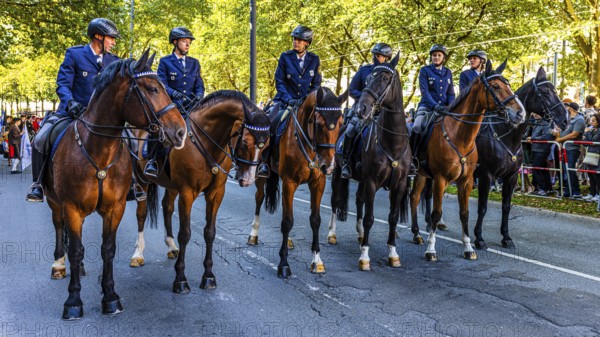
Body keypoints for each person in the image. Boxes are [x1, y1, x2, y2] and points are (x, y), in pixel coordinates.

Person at [26, 18, 121, 202]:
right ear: (98, 36)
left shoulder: (114, 61)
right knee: (41, 138)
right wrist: (70, 102)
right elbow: (63, 84)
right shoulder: (75, 54)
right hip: (72, 112)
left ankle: (132, 183)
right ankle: (38, 184)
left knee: (129, 141)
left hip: (103, 119)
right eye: (111, 38)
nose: (114, 42)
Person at [256, 25, 322, 178]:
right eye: (294, 39)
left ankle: (323, 159)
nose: (295, 42)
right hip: (286, 102)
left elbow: (316, 84)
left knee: (323, 125)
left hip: (306, 104)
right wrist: (289, 99)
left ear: (307, 42)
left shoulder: (314, 59)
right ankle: (265, 162)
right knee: (271, 123)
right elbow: (279, 81)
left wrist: (307, 100)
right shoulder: (285, 57)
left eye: (299, 40)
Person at [145, 27, 206, 177]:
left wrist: (199, 94)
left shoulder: (194, 63)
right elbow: (162, 84)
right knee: (157, 128)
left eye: (189, 42)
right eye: (184, 42)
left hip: (192, 105)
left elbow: (199, 83)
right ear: (175, 42)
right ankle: (152, 160)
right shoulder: (165, 61)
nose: (187, 45)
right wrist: (173, 93)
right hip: (173, 105)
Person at [339, 42, 393, 179]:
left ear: (386, 58)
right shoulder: (364, 70)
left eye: (380, 56)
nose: (376, 57)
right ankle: (346, 162)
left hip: (382, 111)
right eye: (375, 55)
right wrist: (365, 98)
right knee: (351, 130)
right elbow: (352, 89)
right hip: (363, 109)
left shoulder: (390, 73)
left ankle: (399, 164)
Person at [412, 44, 455, 135]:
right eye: (434, 55)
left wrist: (451, 106)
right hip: (427, 107)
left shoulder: (448, 72)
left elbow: (451, 93)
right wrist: (435, 106)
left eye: (439, 55)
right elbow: (425, 92)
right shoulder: (425, 70)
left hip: (444, 108)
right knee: (417, 126)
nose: (436, 57)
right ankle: (414, 149)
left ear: (443, 57)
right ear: (431, 57)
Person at [554, 101, 585, 199]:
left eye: (567, 107)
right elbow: (559, 131)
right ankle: (568, 190)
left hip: (572, 149)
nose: (565, 109)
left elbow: (574, 134)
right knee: (566, 170)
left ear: (571, 108)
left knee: (570, 169)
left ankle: (576, 191)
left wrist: (560, 139)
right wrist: (557, 135)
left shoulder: (579, 119)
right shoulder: (566, 119)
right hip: (563, 148)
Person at [525, 113, 554, 196]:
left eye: (537, 113)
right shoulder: (536, 123)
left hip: (542, 150)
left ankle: (543, 188)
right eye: (534, 113)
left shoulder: (545, 124)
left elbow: (546, 137)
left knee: (536, 168)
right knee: (543, 169)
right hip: (535, 149)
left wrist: (533, 138)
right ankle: (548, 188)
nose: (535, 115)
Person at [582, 113, 600, 202]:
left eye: (593, 121)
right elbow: (585, 143)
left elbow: (593, 140)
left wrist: (587, 133)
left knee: (597, 175)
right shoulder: (592, 130)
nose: (591, 122)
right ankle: (592, 193)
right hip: (590, 154)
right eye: (591, 120)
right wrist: (587, 135)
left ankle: (598, 194)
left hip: (597, 155)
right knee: (591, 174)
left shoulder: (597, 131)